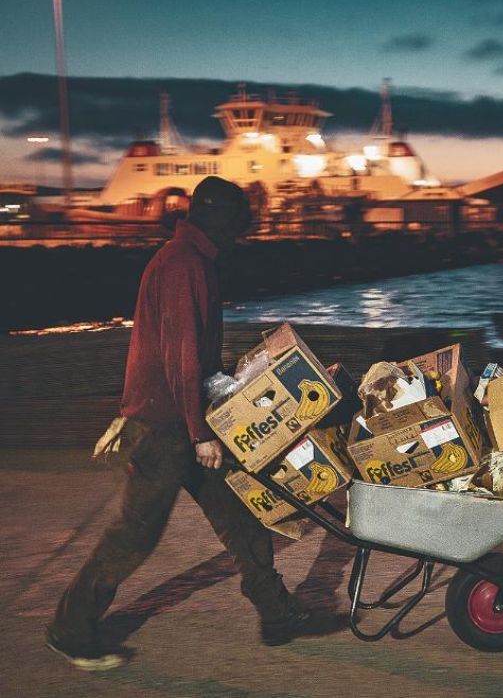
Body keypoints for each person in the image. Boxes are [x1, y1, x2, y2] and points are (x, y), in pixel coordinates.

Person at [46, 177, 311, 671]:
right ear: (223, 218)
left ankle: (276, 613)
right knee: (133, 535)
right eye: (239, 220)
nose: (242, 231)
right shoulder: (185, 266)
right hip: (171, 430)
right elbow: (182, 358)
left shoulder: (183, 258)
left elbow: (158, 348)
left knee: (239, 517)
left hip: (179, 419)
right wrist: (200, 434)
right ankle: (70, 630)